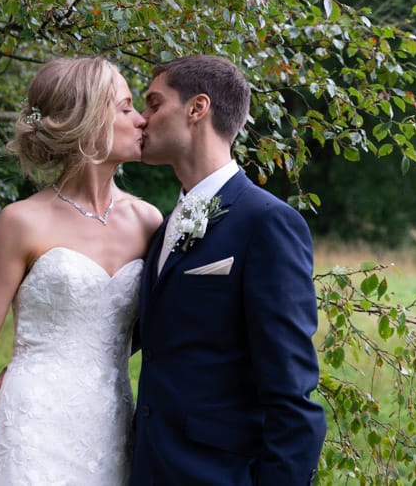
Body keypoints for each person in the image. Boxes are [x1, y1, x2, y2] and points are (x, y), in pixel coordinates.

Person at [0, 57, 162, 486]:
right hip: (31, 427)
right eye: (126, 107)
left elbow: (149, 332)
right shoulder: (22, 221)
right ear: (89, 119)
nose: (141, 121)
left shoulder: (149, 222)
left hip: (112, 428)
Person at [132, 54, 327, 484]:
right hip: (150, 466)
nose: (141, 120)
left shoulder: (267, 223)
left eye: (153, 103)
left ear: (197, 108)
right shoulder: (164, 226)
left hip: (220, 474)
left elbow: (292, 395)